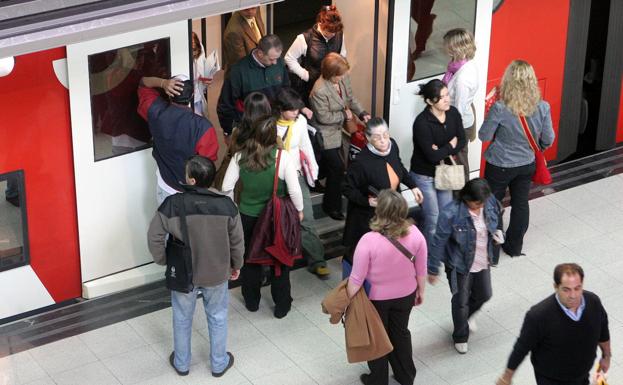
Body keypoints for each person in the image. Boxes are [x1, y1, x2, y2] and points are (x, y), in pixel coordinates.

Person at [147, 155, 244, 378]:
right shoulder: (227, 205)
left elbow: (154, 237)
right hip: (217, 271)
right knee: (218, 316)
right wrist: (236, 264)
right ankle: (219, 363)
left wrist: (164, 260)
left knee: (182, 317)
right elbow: (237, 241)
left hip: (183, 274)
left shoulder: (173, 204)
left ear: (191, 180)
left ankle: (182, 363)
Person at [221, 116, 304, 318]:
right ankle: (282, 305)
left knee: (250, 259)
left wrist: (233, 207)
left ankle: (252, 301)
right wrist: (299, 210)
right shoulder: (282, 157)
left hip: (247, 216)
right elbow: (294, 191)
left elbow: (226, 187)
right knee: (279, 261)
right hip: (275, 218)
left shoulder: (240, 156)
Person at [347, 190, 427, 385]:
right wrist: (421, 292)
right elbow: (421, 269)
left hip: (376, 299)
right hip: (406, 294)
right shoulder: (416, 235)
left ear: (379, 212)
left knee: (376, 338)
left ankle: (378, 379)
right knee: (400, 333)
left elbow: (356, 279)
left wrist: (350, 301)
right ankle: (405, 375)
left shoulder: (368, 241)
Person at [479, 60, 555, 257]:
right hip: (526, 164)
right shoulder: (543, 106)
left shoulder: (500, 108)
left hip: (500, 165)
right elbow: (549, 138)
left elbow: (484, 136)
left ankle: (492, 250)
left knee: (493, 205)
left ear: (508, 80)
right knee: (521, 204)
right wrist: (538, 148)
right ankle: (514, 247)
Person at [495, 263, 611, 385]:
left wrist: (606, 357)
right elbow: (521, 348)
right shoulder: (539, 316)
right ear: (556, 287)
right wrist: (506, 377)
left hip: (581, 375)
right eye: (566, 290)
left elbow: (603, 331)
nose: (573, 295)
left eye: (577, 288)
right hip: (551, 379)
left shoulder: (593, 302)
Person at [342, 117, 423, 279]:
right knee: (365, 251)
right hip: (369, 215)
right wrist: (367, 201)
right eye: (377, 137)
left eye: (385, 135)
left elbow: (399, 167)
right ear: (368, 138)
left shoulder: (392, 146)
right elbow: (346, 187)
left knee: (390, 245)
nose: (383, 140)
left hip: (392, 208)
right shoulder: (361, 162)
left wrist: (413, 186)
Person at [427, 178, 501, 354]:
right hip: (459, 263)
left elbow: (497, 217)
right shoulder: (451, 213)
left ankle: (466, 317)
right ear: (466, 197)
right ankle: (460, 335)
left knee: (484, 294)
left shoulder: (489, 202)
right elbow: (438, 241)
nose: (478, 207)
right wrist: (433, 268)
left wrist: (498, 233)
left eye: (481, 203)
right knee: (461, 301)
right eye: (474, 203)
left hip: (483, 259)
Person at [137, 75, 219, 205]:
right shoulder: (203, 127)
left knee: (166, 224)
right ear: (192, 95)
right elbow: (206, 166)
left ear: (169, 94)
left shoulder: (155, 111)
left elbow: (143, 83)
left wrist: (163, 83)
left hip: (164, 185)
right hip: (190, 194)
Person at [274, 88, 330, 279]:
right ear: (280, 109)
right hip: (277, 178)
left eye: (297, 109)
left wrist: (313, 172)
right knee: (277, 220)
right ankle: (279, 260)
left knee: (306, 218)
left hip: (297, 175)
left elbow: (306, 146)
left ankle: (317, 260)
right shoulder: (270, 125)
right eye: (291, 110)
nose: (295, 113)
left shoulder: (300, 122)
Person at [310, 53, 371, 220]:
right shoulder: (319, 90)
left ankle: (315, 177)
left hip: (340, 130)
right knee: (337, 168)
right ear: (331, 74)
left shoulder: (342, 79)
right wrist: (345, 116)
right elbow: (324, 118)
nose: (344, 77)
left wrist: (362, 113)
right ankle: (332, 206)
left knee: (331, 165)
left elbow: (350, 98)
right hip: (326, 132)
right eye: (341, 75)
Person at [217, 34, 313, 140]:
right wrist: (228, 131)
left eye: (277, 58)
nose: (275, 62)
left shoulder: (279, 63)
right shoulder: (238, 71)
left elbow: (286, 91)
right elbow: (225, 105)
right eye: (271, 59)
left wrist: (299, 106)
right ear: (260, 53)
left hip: (274, 125)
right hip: (249, 130)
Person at [410, 79, 466, 257]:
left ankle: (441, 247)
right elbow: (431, 156)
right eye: (442, 98)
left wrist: (440, 149)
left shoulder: (453, 113)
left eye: (447, 95)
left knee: (446, 213)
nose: (447, 100)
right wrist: (449, 146)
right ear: (429, 101)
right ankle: (428, 255)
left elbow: (462, 140)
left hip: (445, 173)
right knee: (433, 216)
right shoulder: (422, 122)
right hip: (424, 175)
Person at [284, 4, 346, 104]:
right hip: (311, 87)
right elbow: (289, 58)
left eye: (334, 32)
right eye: (329, 32)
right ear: (320, 23)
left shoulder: (339, 34)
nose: (332, 35)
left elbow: (342, 55)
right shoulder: (304, 38)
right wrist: (305, 75)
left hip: (331, 85)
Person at [442, 28, 478, 181]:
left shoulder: (463, 78)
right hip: (460, 120)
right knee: (454, 162)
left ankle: (462, 196)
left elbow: (459, 109)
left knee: (458, 164)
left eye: (448, 46)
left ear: (457, 48)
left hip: (459, 125)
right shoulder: (464, 65)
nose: (445, 49)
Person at [222, 7, 265, 73]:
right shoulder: (233, 32)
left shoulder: (256, 9)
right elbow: (241, 65)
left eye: (253, 8)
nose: (250, 11)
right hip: (245, 75)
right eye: (246, 9)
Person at [191, 32, 213, 116]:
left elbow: (202, 68)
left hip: (199, 95)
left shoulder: (200, 46)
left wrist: (206, 78)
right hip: (189, 95)